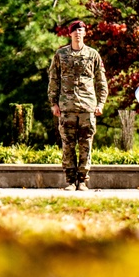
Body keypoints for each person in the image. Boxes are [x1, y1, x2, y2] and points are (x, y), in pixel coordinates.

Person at [47, 20, 107, 191]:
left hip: (87, 106)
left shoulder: (93, 55)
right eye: (75, 31)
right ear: (70, 34)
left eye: (81, 31)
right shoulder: (61, 54)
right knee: (67, 143)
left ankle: (82, 180)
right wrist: (54, 103)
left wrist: (101, 103)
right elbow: (54, 80)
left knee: (86, 143)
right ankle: (70, 181)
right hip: (66, 107)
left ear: (85, 34)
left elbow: (101, 81)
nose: (78, 33)